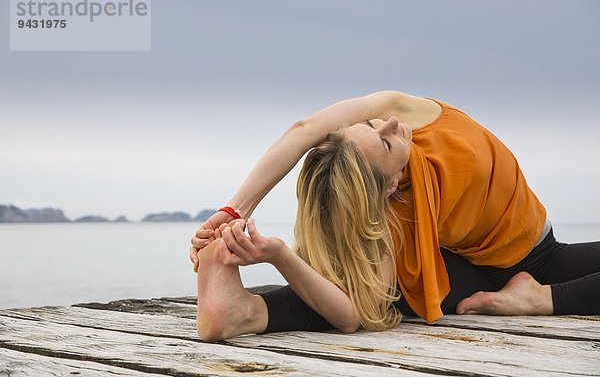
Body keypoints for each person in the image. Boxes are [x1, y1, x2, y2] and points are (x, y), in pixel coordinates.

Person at [189, 91, 600, 342]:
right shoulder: (394, 212)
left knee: (383, 293)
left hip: (535, 257)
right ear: (388, 186)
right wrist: (279, 253)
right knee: (376, 295)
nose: (390, 124)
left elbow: (304, 129)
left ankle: (539, 298)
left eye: (370, 124)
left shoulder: (407, 112)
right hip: (468, 268)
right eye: (385, 144)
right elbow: (354, 313)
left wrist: (234, 210)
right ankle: (244, 312)